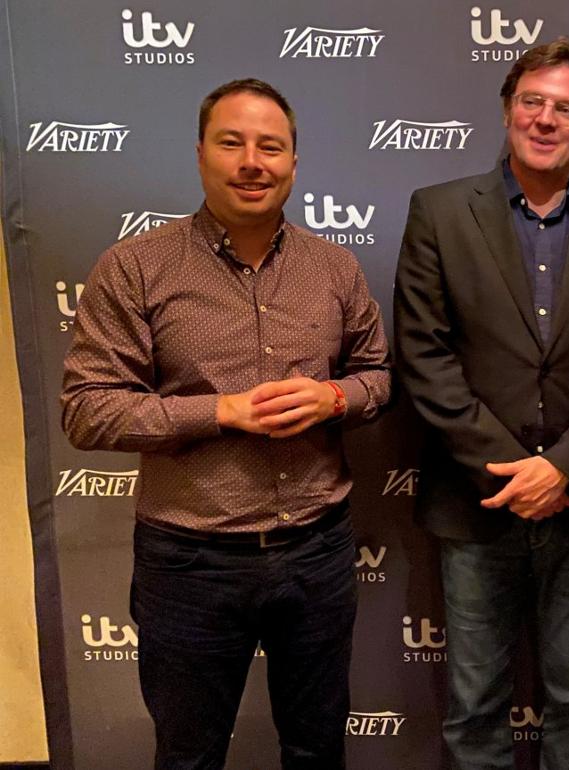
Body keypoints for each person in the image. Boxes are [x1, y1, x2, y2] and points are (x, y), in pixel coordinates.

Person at [61, 78, 391, 770]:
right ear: (200, 153)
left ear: (294, 164)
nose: (252, 161)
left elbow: (379, 377)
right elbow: (87, 408)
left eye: (271, 147)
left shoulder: (334, 267)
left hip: (316, 550)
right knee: (189, 755)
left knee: (317, 746)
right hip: (190, 560)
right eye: (232, 143)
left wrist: (334, 400)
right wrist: (220, 411)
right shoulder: (135, 268)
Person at [392, 38, 569, 769]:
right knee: (476, 705)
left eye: (565, 108)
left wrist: (563, 469)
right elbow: (424, 355)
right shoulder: (440, 212)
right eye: (532, 102)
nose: (546, 119)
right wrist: (514, 470)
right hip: (476, 503)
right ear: (509, 110)